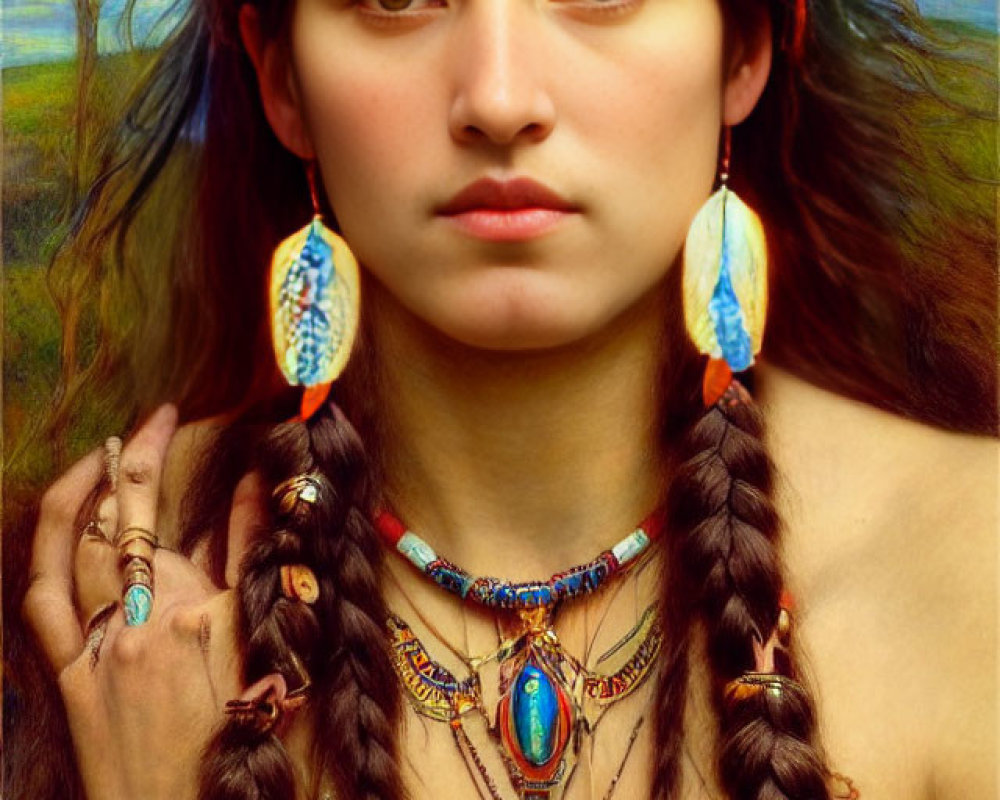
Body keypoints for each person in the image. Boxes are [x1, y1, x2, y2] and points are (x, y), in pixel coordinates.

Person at [6, 0, 997, 797]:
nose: (498, 95)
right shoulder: (114, 613)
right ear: (281, 77)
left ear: (741, 49)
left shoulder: (971, 562)